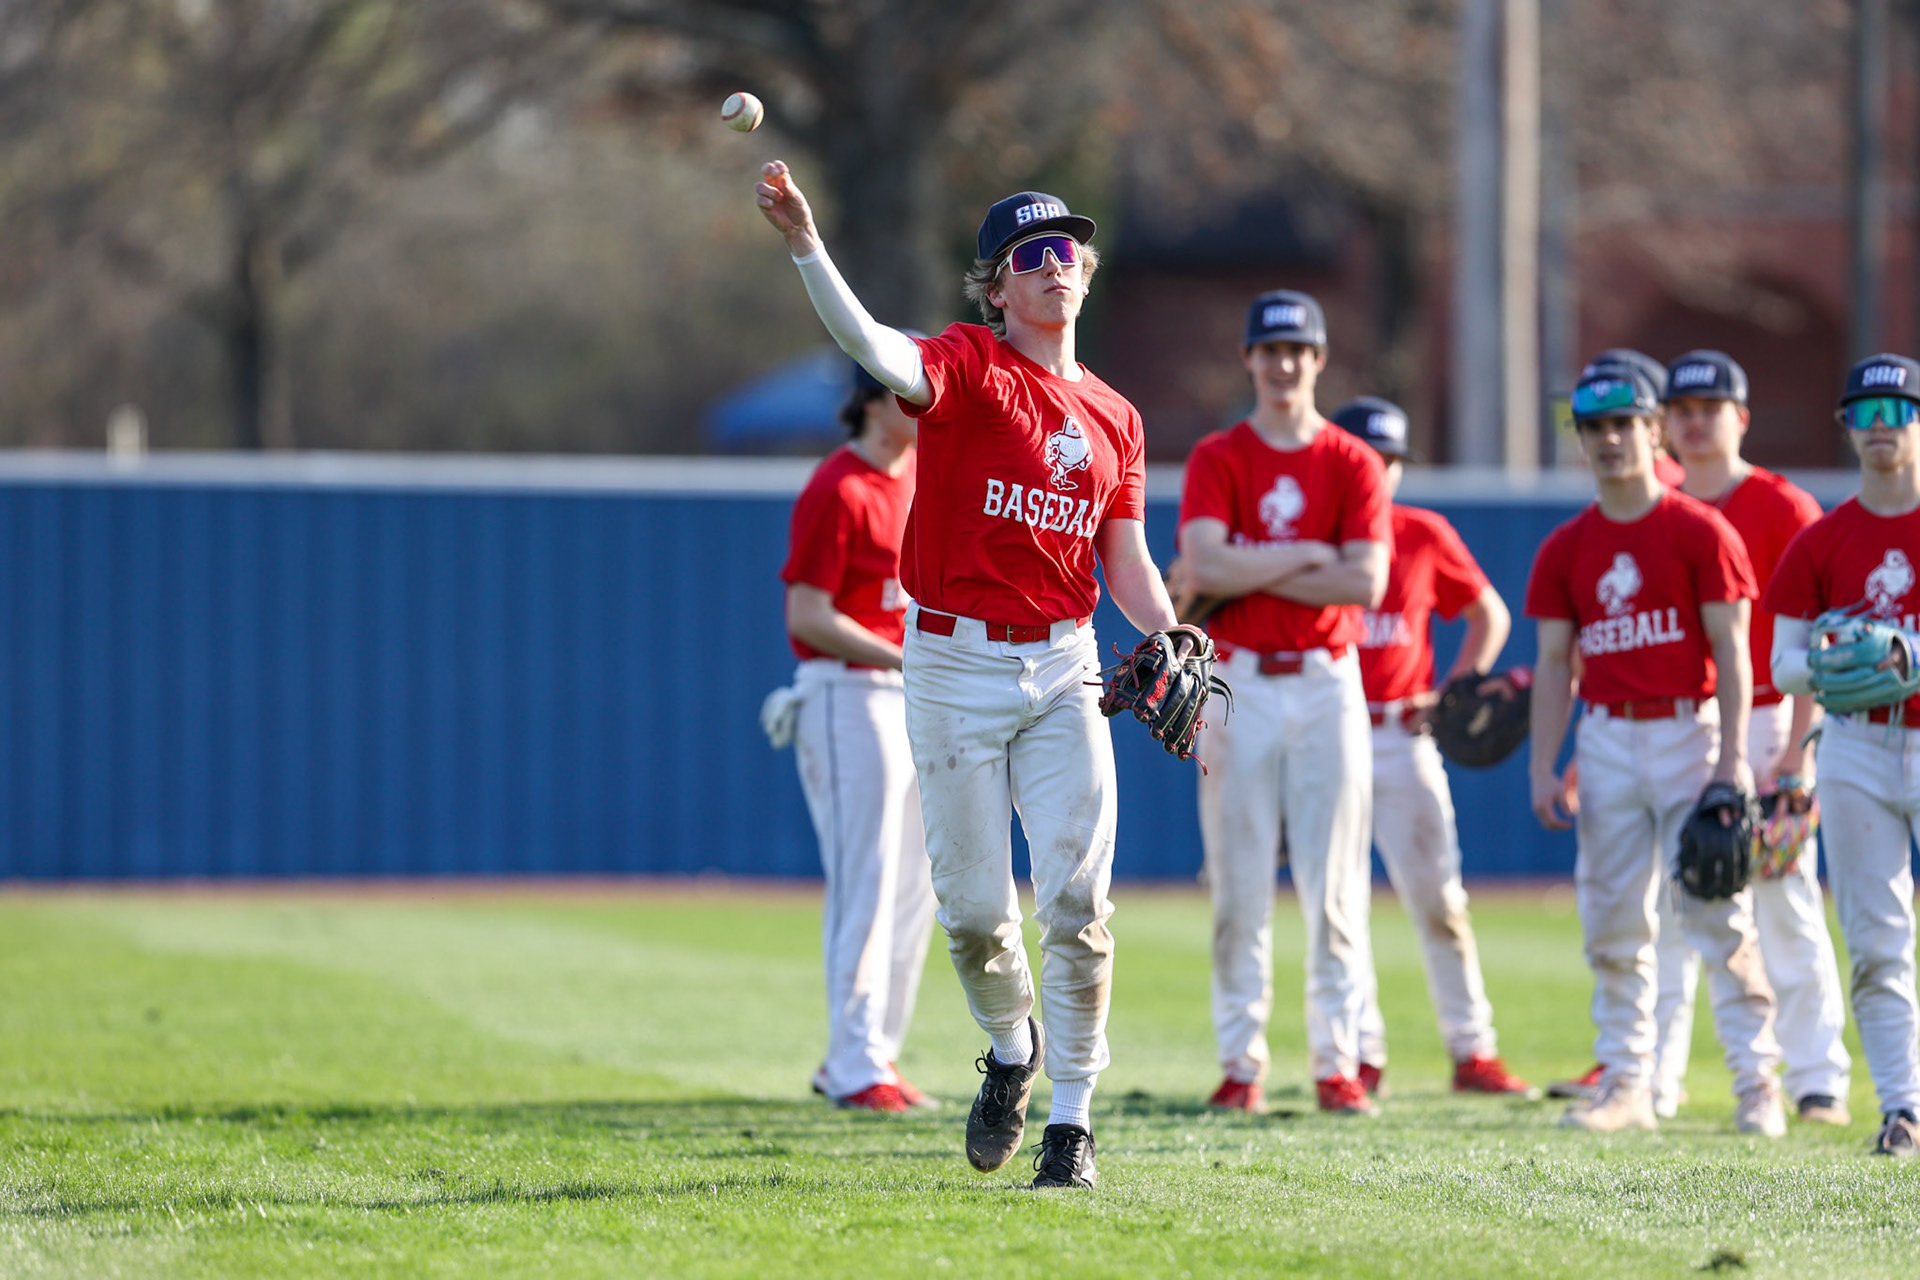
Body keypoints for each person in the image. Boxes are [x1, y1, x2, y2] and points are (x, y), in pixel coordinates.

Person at [758, 162, 1184, 1190]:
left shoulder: (1118, 418)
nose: (1054, 266)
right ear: (994, 287)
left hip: (1064, 660)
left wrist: (1167, 631)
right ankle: (1009, 1047)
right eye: (1029, 256)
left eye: (1067, 250)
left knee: (1080, 904)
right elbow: (870, 347)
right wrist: (809, 244)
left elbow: (1121, 556)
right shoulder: (967, 368)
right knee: (975, 916)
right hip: (949, 658)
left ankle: (1073, 1124)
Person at [1525, 360, 1784, 1135]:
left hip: (1688, 729)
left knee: (1718, 912)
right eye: (1594, 428)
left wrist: (1733, 761)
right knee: (1612, 920)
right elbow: (1551, 665)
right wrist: (1544, 762)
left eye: (1624, 424)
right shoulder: (1568, 545)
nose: (1609, 440)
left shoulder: (1701, 529)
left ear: (1654, 430)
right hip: (1606, 735)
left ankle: (1756, 1084)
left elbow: (1734, 655)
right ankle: (1628, 1084)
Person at [1177, 291, 1392, 1116]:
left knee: (1336, 884)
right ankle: (1242, 1063)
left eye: (1297, 350)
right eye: (1269, 350)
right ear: (1249, 360)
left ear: (1320, 359)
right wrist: (1307, 552)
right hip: (1240, 681)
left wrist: (1251, 560)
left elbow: (1365, 580)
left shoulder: (1350, 461)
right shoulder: (1219, 456)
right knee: (1238, 883)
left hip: (1327, 678)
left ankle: (1337, 1064)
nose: (1283, 364)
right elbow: (1204, 569)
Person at [1641, 350, 1851, 1126]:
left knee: (1784, 903)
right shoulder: (1652, 506)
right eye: (1683, 410)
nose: (1695, 423)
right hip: (1681, 721)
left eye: (1711, 408)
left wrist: (1800, 748)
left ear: (1742, 418)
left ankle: (1815, 1078)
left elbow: (1819, 642)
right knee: (1672, 901)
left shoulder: (1783, 506)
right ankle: (1652, 1079)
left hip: (1772, 717)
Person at [1329, 397, 1532, 1099]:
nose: (1377, 471)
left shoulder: (1419, 532)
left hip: (1402, 738)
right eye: (1362, 456)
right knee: (1340, 906)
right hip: (1331, 738)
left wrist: (1452, 690)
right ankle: (1360, 1054)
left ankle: (1473, 1050)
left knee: (1440, 900)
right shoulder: (1313, 539)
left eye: (1387, 460)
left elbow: (1489, 613)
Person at [764, 357, 937, 1114]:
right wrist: (903, 653)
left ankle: (875, 1056)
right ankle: (852, 1058)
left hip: (913, 696)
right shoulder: (839, 485)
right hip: (846, 692)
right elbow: (807, 614)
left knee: (916, 886)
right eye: (906, 394)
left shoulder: (920, 479)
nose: (922, 406)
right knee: (866, 878)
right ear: (872, 402)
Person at [1766, 352, 1920, 1158]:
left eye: (1895, 413)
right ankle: (1905, 1109)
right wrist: (1836, 657)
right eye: (1864, 415)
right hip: (1858, 744)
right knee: (1875, 936)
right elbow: (1783, 663)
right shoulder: (1822, 539)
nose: (1879, 429)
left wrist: (1910, 653)